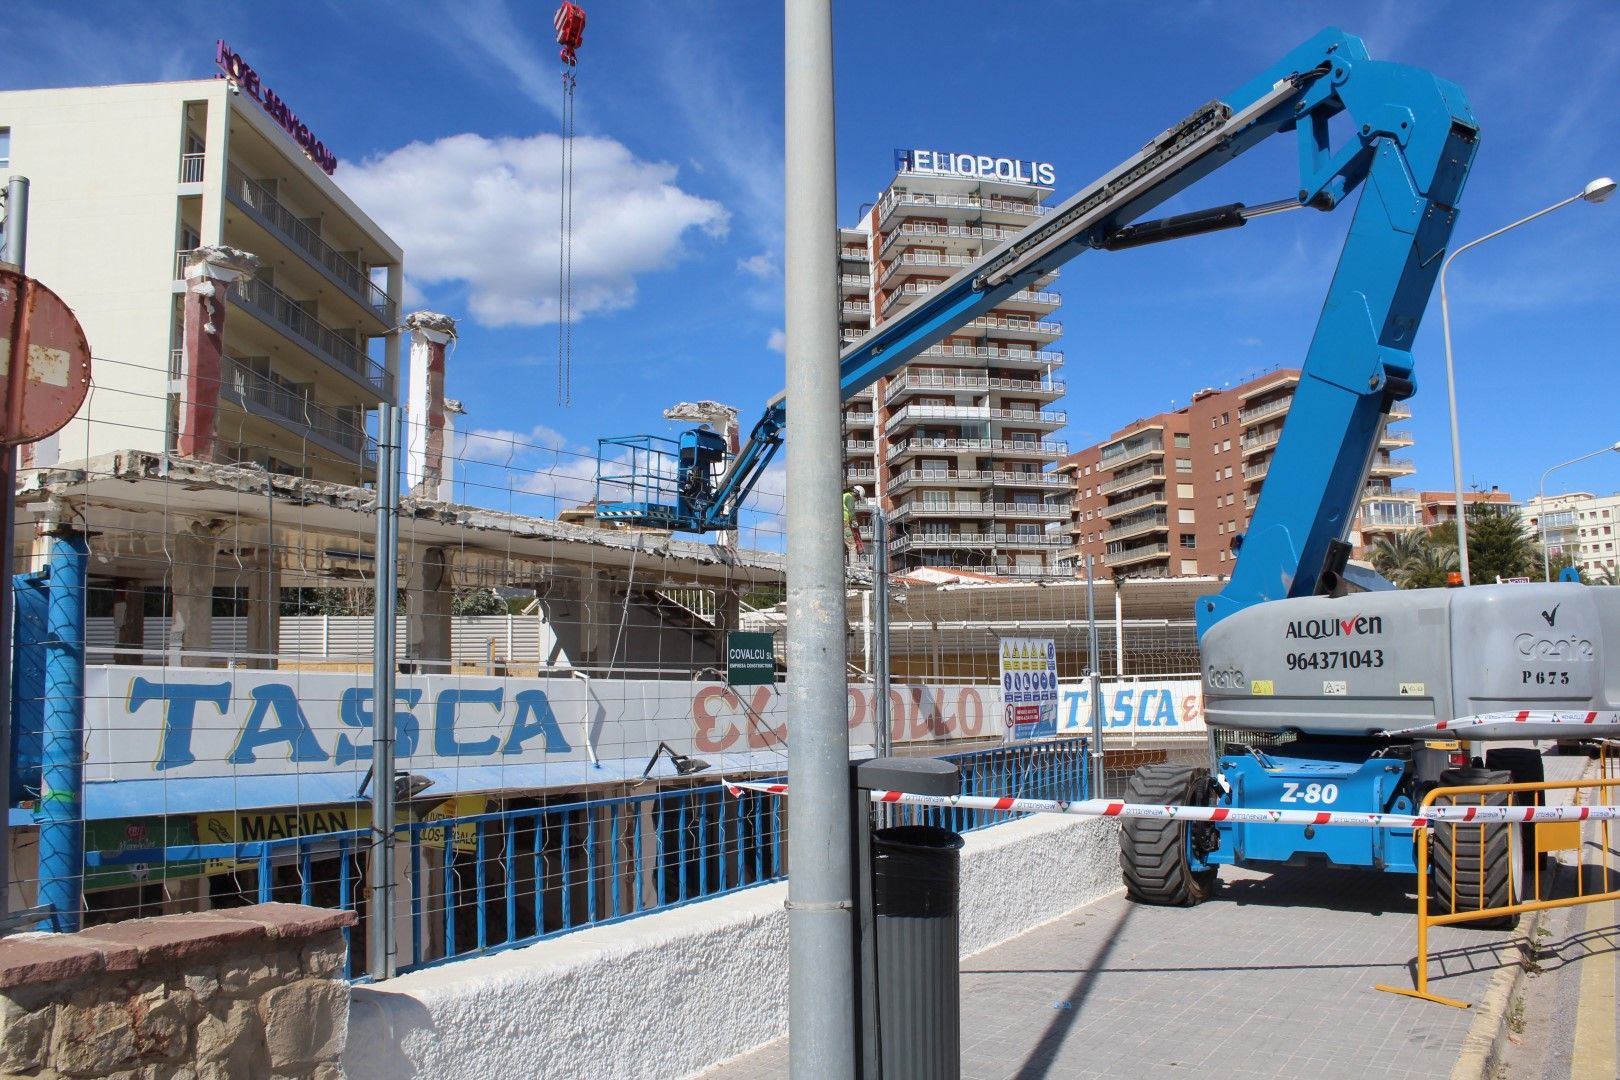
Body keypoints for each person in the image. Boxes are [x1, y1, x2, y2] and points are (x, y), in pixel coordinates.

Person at [843, 485, 866, 558]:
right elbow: (851, 510)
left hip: (839, 522)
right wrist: (854, 521)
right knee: (852, 546)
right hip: (844, 524)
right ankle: (854, 566)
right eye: (857, 498)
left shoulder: (843, 495)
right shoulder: (849, 497)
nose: (856, 500)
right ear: (856, 493)